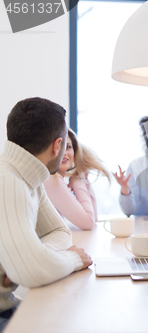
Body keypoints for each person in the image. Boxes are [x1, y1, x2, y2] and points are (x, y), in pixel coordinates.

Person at [0, 97, 92, 332]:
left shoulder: (30, 177)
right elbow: (30, 271)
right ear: (57, 145)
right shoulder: (7, 181)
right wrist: (73, 259)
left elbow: (58, 231)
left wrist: (35, 255)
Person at [44, 129, 112, 230]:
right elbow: (88, 222)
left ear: (75, 152)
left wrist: (83, 179)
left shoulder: (53, 179)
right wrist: (78, 182)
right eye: (58, 147)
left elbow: (94, 218)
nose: (64, 153)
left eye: (68, 147)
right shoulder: (52, 179)